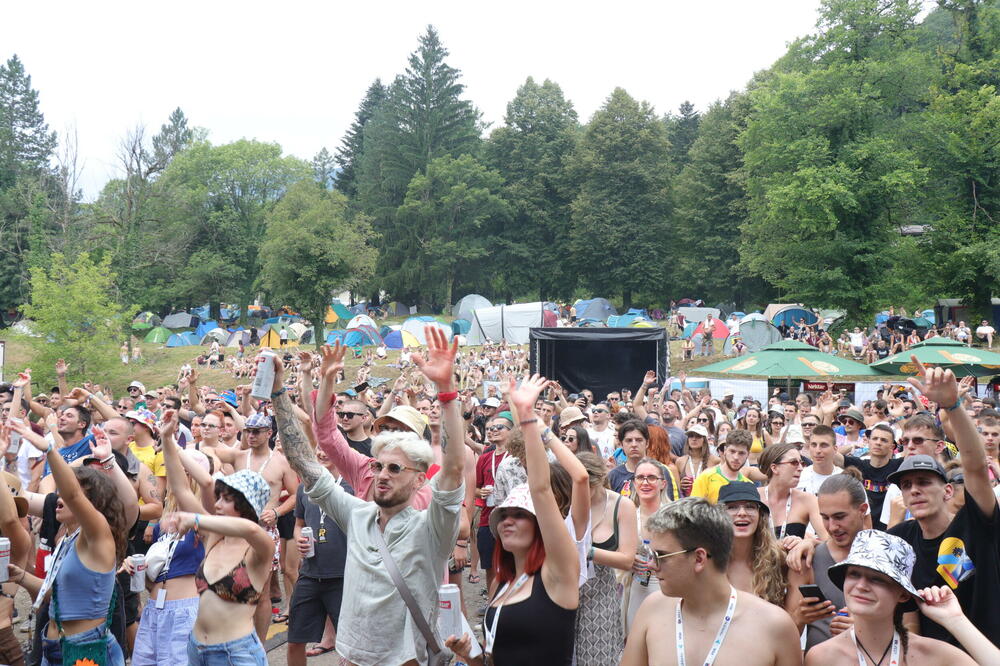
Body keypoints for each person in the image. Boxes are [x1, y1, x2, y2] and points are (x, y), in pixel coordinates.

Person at [276, 327, 467, 665]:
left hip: (405, 658)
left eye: (395, 469)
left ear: (420, 479)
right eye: (379, 465)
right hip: (351, 656)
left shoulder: (430, 526)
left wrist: (446, 392)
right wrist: (278, 391)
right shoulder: (358, 514)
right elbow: (306, 459)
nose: (381, 474)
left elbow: (452, 469)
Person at [447, 374, 580, 665]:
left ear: (539, 524)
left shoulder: (558, 574)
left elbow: (541, 489)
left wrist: (527, 417)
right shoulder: (503, 583)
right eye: (503, 514)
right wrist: (468, 655)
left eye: (520, 515)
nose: (508, 520)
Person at [887, 358, 1000, 648]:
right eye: (907, 485)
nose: (915, 491)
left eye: (924, 482)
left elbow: (975, 467)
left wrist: (952, 407)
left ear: (948, 491)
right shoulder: (900, 538)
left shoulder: (975, 525)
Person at [621, 498, 801, 666]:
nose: (651, 565)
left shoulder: (774, 626)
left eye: (660, 556)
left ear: (699, 558)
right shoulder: (652, 610)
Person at [9, 422, 129, 665]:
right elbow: (56, 594)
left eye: (67, 495)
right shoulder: (67, 537)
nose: (60, 499)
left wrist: (50, 450)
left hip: (85, 650)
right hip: (53, 647)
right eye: (59, 495)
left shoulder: (98, 536)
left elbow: (73, 493)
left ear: (93, 502)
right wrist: (20, 575)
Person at [805, 530, 985, 665]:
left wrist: (956, 621)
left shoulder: (934, 656)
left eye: (877, 578)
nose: (861, 585)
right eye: (853, 574)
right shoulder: (821, 657)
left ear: (903, 594)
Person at [131, 409, 208, 665]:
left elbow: (182, 486)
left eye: (188, 471)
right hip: (154, 609)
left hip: (185, 610)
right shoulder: (166, 521)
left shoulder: (205, 520)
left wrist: (168, 440)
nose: (182, 476)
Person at [786, 473, 869, 649]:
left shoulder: (885, 556)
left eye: (840, 517)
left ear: (862, 510)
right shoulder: (808, 560)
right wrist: (800, 618)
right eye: (825, 517)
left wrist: (869, 629)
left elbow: (909, 626)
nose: (832, 527)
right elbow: (785, 636)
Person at [286, 444, 351, 664]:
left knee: (351, 645)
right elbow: (298, 524)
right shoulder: (305, 486)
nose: (322, 453)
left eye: (328, 448)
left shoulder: (353, 486)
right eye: (317, 449)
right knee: (295, 639)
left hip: (344, 577)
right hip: (310, 574)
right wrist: (299, 539)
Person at [576, 450, 637, 664]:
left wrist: (586, 551)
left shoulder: (622, 506)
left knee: (598, 660)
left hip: (600, 597)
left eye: (586, 487)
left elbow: (627, 559)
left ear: (599, 479)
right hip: (565, 592)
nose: (580, 493)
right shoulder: (566, 501)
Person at [622, 458, 674, 634]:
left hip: (669, 589)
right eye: (640, 478)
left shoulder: (675, 516)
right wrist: (628, 559)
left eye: (651, 477)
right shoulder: (627, 516)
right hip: (635, 587)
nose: (645, 482)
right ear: (634, 483)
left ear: (662, 483)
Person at [718, 482, 790, 608]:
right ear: (719, 516)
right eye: (732, 507)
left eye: (750, 507)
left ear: (760, 515)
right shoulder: (708, 561)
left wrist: (807, 543)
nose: (742, 513)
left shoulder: (777, 558)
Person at [758, 443, 827, 540]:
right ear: (774, 468)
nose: (801, 468)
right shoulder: (754, 497)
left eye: (801, 463)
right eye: (794, 463)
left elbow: (828, 541)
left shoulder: (808, 500)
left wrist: (810, 543)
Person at [691, 429, 752, 503]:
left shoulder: (748, 485)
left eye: (741, 453)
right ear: (725, 450)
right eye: (732, 451)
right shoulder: (706, 477)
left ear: (748, 454)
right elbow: (693, 510)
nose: (736, 457)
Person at [675, 424, 719, 497]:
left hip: (707, 503)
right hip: (687, 503)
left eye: (698, 436)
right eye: (691, 436)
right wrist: (681, 484)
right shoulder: (680, 461)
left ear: (705, 439)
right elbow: (676, 489)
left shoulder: (715, 460)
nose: (694, 439)